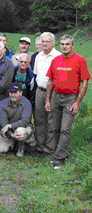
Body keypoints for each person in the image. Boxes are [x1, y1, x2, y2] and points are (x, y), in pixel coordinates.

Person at [45, 34, 90, 170]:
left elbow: (85, 83)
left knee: (65, 129)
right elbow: (50, 80)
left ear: (72, 46)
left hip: (70, 98)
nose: (64, 46)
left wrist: (77, 102)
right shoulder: (56, 60)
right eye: (62, 44)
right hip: (56, 96)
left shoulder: (80, 60)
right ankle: (56, 151)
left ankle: (59, 158)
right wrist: (48, 99)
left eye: (67, 44)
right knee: (55, 127)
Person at [33, 32, 61, 156]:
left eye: (47, 42)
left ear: (53, 43)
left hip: (53, 92)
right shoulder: (39, 56)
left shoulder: (58, 57)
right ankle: (40, 146)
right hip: (40, 90)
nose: (44, 44)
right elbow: (37, 74)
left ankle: (49, 148)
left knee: (51, 120)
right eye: (42, 41)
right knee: (39, 119)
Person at [0, 82, 33, 157]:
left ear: (21, 93)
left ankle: (21, 147)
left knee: (20, 130)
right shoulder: (3, 103)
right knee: (1, 149)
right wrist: (11, 134)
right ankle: (13, 142)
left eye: (15, 92)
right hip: (9, 131)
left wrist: (10, 126)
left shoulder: (27, 103)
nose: (12, 95)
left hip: (23, 128)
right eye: (11, 92)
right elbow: (3, 123)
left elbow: (25, 121)